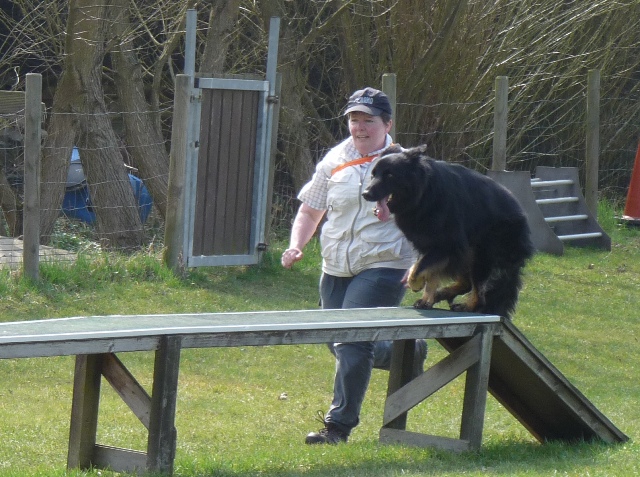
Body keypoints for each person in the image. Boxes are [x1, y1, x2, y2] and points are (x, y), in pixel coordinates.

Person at [281, 87, 427, 445]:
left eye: (368, 121)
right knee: (338, 340)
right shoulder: (335, 159)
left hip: (385, 263)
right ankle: (406, 350)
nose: (360, 127)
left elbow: (431, 214)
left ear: (387, 124)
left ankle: (337, 427)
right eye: (354, 120)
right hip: (335, 265)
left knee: (351, 340)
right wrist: (296, 245)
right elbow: (310, 210)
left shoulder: (405, 164)